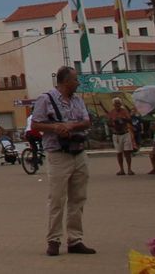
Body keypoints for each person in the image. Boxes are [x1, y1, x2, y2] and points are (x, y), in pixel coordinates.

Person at [31, 66, 95, 257]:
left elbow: (86, 121)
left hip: (79, 153)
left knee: (78, 198)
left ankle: (75, 239)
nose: (77, 83)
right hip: (58, 154)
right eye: (75, 80)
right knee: (57, 199)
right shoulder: (46, 99)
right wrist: (56, 128)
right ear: (66, 81)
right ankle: (54, 240)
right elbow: (35, 124)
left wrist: (71, 126)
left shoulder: (77, 100)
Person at [109, 98, 137, 176]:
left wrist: (123, 119)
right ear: (113, 105)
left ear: (120, 104)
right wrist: (114, 123)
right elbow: (109, 122)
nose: (117, 105)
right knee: (119, 153)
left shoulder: (124, 111)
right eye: (116, 103)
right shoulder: (111, 112)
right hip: (116, 135)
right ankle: (121, 169)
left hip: (125, 133)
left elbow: (129, 120)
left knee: (127, 152)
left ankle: (129, 169)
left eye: (119, 103)